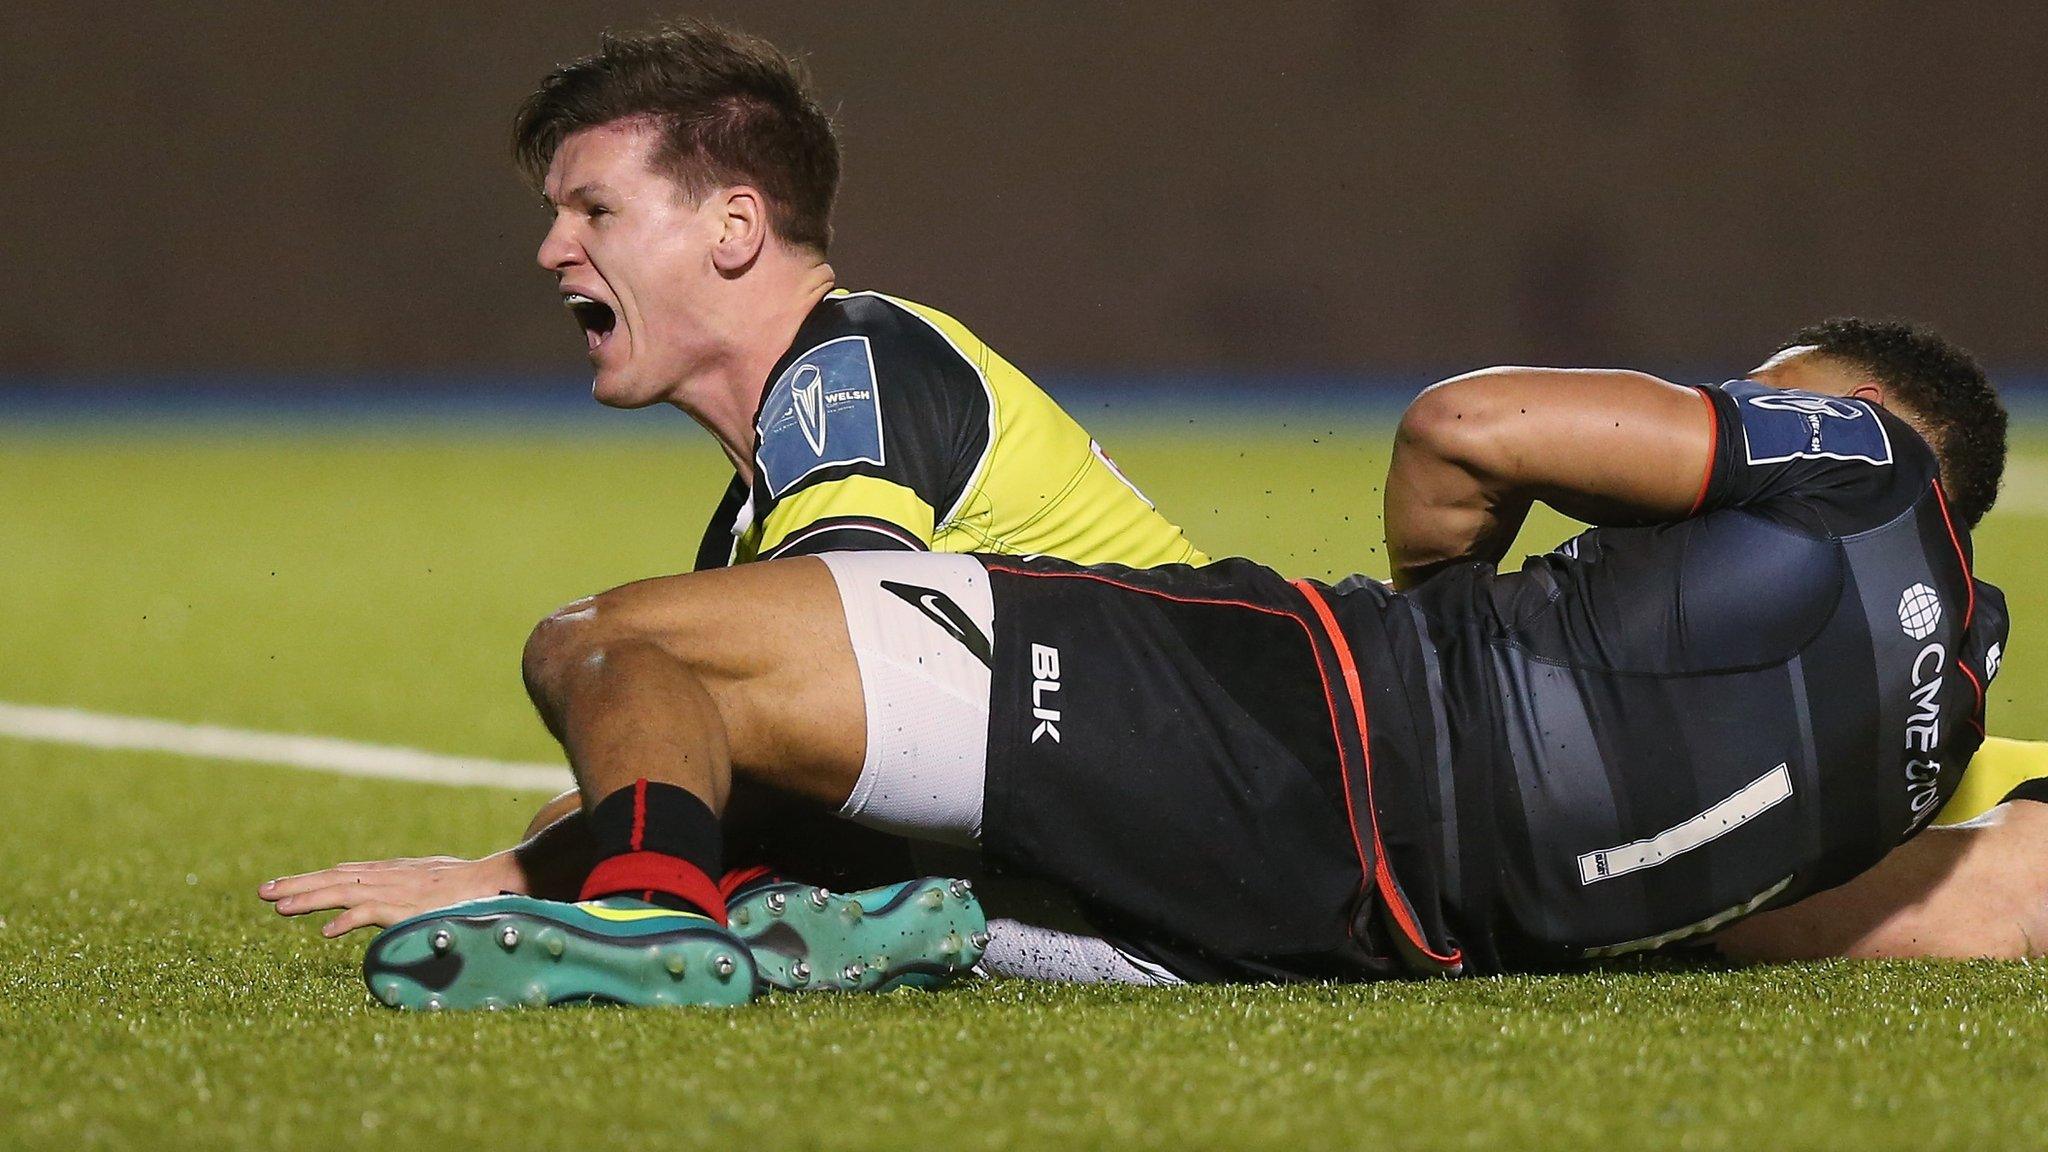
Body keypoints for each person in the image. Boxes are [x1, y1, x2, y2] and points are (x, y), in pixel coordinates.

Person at [330, 318, 2018, 1009]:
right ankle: (945, 925)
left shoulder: (1847, 457)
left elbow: (1467, 428)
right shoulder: (1941, 737)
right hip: (1376, 930)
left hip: (1311, 712)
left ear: (1845, 416)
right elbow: (1790, 916)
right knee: (959, 813)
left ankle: (640, 910)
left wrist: (1446, 601)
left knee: (623, 640)